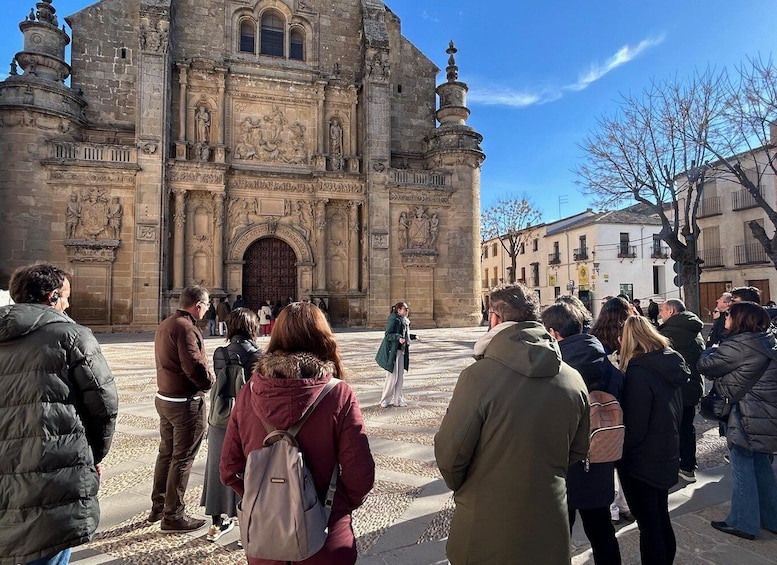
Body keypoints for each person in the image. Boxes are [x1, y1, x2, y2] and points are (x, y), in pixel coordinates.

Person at [434, 284, 590, 564]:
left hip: (485, 522)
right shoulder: (573, 378)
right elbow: (578, 450)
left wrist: (470, 488)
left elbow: (451, 454)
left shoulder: (477, 377)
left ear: (494, 319)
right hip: (549, 521)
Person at [220, 302, 375, 565]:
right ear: (322, 337)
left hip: (265, 544)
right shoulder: (338, 394)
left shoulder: (248, 393)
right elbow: (360, 475)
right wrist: (335, 508)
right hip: (325, 539)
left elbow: (228, 469)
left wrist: (262, 500)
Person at [0, 263, 119, 565]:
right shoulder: (71, 335)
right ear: (52, 297)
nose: (68, 304)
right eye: (66, 297)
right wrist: (93, 455)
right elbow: (103, 405)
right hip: (53, 472)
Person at [541, 303, 623, 564]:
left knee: (556, 534)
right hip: (599, 459)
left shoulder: (552, 366)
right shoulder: (605, 360)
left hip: (562, 463)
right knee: (601, 530)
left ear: (553, 333)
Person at [698, 301, 777, 540]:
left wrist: (711, 347)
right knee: (762, 467)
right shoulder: (768, 340)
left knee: (742, 467)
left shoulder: (738, 346)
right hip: (766, 413)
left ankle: (743, 522)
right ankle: (771, 518)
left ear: (740, 319)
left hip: (745, 414)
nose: (725, 318)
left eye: (728, 315)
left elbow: (706, 364)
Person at [617, 316, 689, 565]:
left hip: (643, 460)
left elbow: (635, 426)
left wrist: (620, 452)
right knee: (660, 519)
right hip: (666, 450)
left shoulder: (639, 372)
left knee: (650, 526)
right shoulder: (670, 361)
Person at [149, 285, 215, 532]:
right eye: (207, 305)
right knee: (183, 457)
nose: (207, 310)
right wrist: (209, 382)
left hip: (165, 398)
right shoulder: (186, 328)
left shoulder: (167, 323)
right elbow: (194, 365)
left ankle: (159, 506)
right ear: (198, 305)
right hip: (185, 402)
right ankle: (174, 515)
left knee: (166, 453)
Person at [201, 308, 262, 542]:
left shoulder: (219, 353)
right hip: (247, 418)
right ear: (252, 328)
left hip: (220, 417)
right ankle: (249, 526)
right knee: (249, 469)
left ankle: (216, 523)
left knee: (217, 465)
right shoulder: (259, 355)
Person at [590, 295, 636, 524]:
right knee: (623, 457)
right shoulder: (631, 337)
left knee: (605, 454)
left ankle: (611, 508)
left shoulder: (594, 338)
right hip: (626, 401)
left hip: (603, 403)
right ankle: (625, 504)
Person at [658, 299, 704, 483]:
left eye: (662, 310)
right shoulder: (693, 327)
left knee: (674, 429)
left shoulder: (671, 331)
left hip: (677, 387)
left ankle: (679, 465)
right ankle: (688, 465)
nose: (660, 314)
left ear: (671, 311)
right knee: (687, 427)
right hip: (692, 385)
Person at [375, 302, 418, 408]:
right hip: (393, 351)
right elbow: (388, 334)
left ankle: (398, 399)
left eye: (407, 309)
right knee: (392, 376)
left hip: (401, 351)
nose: (407, 311)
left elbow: (405, 335)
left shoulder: (405, 321)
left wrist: (414, 336)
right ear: (399, 310)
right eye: (405, 309)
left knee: (400, 377)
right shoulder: (393, 319)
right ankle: (385, 399)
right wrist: (398, 338)